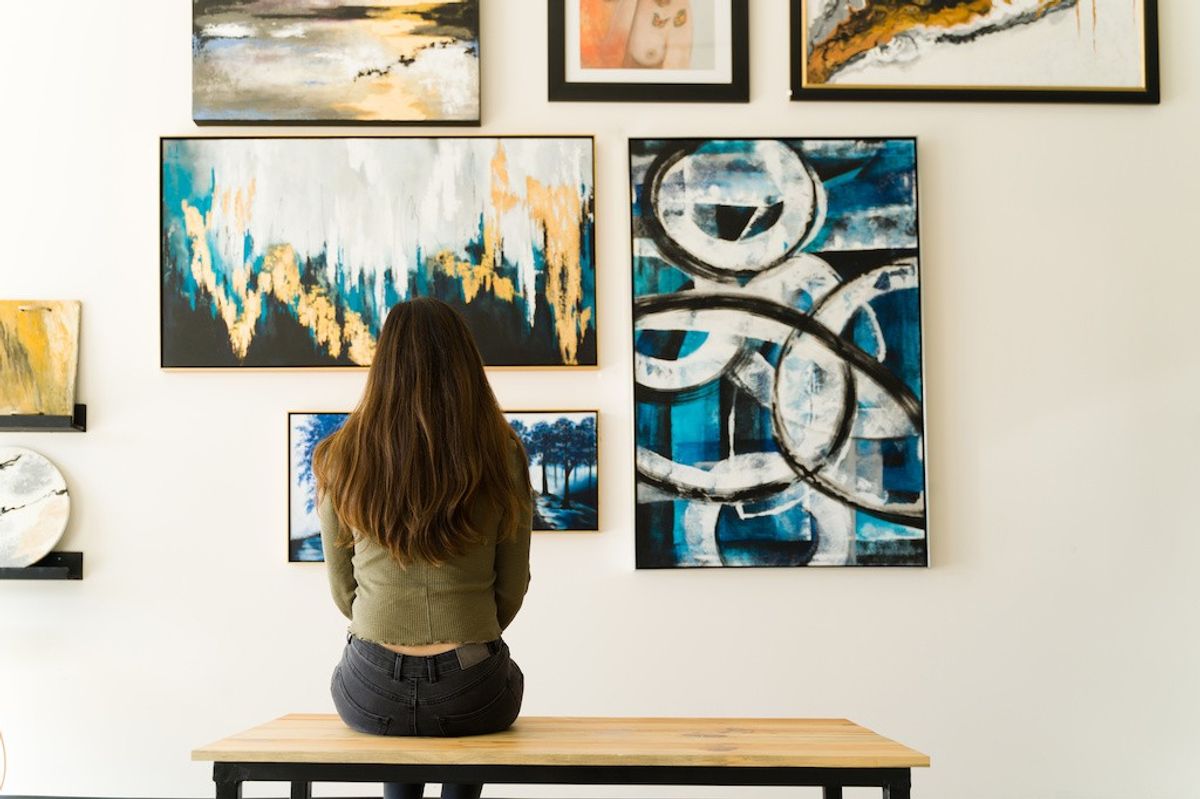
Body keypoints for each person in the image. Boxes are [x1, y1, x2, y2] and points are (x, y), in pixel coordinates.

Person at [314, 298, 533, 799]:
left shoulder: (340, 455)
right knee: (481, 693)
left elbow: (342, 589)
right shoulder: (503, 453)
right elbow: (512, 586)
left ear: (384, 362)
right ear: (465, 365)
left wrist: (388, 626)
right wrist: (469, 628)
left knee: (399, 718)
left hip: (370, 685)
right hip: (472, 683)